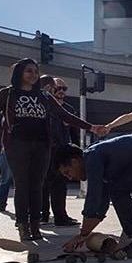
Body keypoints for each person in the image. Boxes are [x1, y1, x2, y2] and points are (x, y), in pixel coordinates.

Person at [0, 58, 106, 241]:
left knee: (37, 186)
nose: (33, 75)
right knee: (22, 185)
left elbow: (64, 115)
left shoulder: (44, 96)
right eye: (29, 71)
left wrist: (91, 127)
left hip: (42, 146)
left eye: (36, 71)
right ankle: (23, 225)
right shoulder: (8, 94)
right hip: (17, 145)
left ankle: (35, 225)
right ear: (19, 73)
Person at [54, 134, 132, 255]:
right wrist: (84, 234)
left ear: (75, 161)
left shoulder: (92, 157)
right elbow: (101, 204)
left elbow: (94, 198)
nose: (69, 178)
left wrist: (82, 234)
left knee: (118, 190)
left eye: (67, 172)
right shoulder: (97, 159)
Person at [40, 77, 79, 226]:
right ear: (50, 89)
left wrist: (76, 151)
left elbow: (74, 131)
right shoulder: (44, 107)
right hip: (45, 151)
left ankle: (61, 217)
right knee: (43, 184)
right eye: (58, 88)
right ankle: (42, 216)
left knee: (60, 185)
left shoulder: (68, 109)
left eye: (64, 89)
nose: (61, 91)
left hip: (62, 153)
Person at [0, 147, 14, 213]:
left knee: (5, 179)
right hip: (13, 149)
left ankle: (1, 204)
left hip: (7, 150)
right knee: (21, 181)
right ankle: (1, 204)